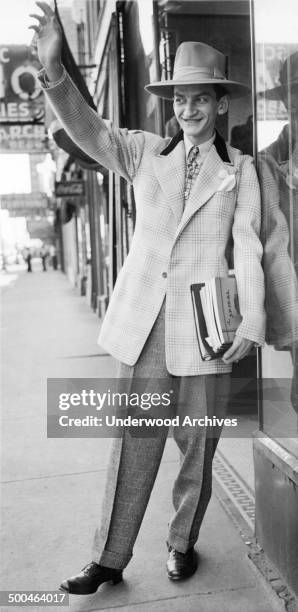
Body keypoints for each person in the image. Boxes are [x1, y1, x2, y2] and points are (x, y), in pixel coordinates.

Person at [30, 2, 265, 595]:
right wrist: (55, 69)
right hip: (145, 321)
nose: (186, 108)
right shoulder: (142, 153)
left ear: (220, 104)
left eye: (199, 98)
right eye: (179, 99)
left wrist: (254, 321)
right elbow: (89, 130)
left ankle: (182, 541)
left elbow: (248, 250)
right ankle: (109, 557)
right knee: (135, 441)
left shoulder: (240, 171)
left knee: (197, 447)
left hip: (206, 325)